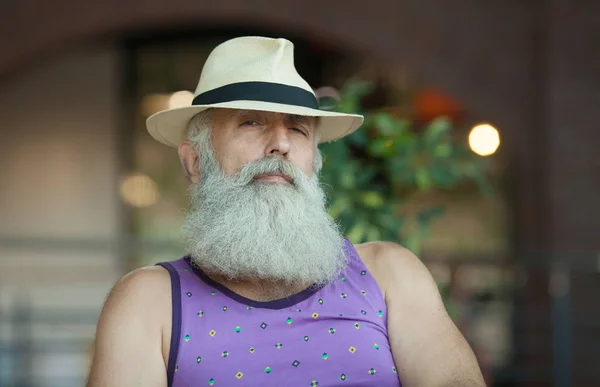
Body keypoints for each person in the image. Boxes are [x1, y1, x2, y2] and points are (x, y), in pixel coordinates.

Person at [87, 36, 485, 387]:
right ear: (195, 163)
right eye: (251, 123)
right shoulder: (148, 301)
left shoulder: (390, 274)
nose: (280, 143)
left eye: (298, 129)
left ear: (315, 162)